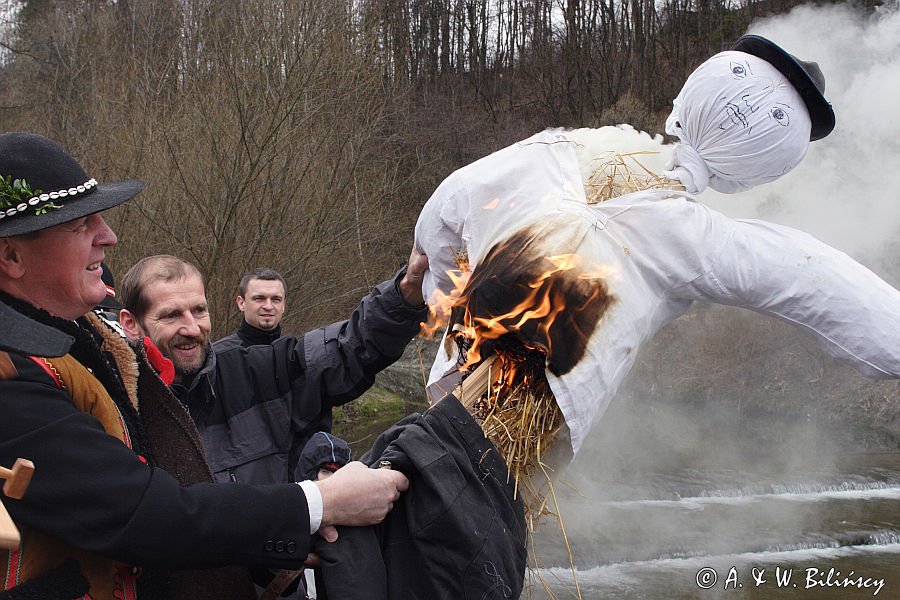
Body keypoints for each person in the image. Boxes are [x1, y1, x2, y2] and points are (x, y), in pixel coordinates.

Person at [415, 34, 900, 462]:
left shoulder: (564, 147)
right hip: (510, 443)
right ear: (770, 160)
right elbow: (818, 282)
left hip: (455, 381)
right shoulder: (693, 238)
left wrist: (444, 292)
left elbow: (445, 210)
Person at [0, 132, 409, 600]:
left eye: (199, 311)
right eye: (79, 225)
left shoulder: (86, 338)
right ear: (11, 255)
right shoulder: (10, 376)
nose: (108, 237)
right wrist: (322, 502)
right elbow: (141, 513)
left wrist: (408, 292)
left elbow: (342, 350)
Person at [117, 252, 428, 490]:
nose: (192, 328)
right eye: (171, 316)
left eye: (199, 311)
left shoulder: (261, 372)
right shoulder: (117, 410)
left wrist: (407, 291)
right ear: (131, 324)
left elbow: (349, 347)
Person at [215, 267, 288, 351]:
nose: (268, 306)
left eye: (276, 299)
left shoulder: (295, 356)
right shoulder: (218, 356)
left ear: (283, 305)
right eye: (259, 298)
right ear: (241, 303)